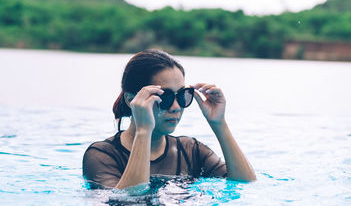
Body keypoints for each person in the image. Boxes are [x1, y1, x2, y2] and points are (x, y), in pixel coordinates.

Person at [82, 50, 256, 189]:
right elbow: (130, 202)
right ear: (131, 100)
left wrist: (219, 124)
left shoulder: (191, 151)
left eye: (182, 95)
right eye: (164, 97)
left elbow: (244, 184)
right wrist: (144, 131)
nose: (175, 107)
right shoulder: (102, 156)